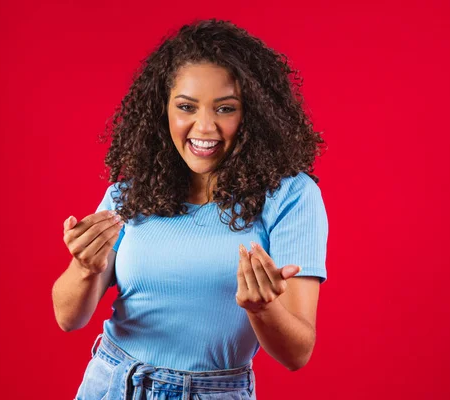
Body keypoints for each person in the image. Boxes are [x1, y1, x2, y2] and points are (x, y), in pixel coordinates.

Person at [52, 18, 329, 400]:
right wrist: (84, 267)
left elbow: (297, 352)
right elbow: (68, 318)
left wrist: (262, 309)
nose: (205, 127)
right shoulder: (131, 193)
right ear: (162, 111)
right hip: (111, 383)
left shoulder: (290, 197)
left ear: (254, 115)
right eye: (186, 106)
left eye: (225, 108)